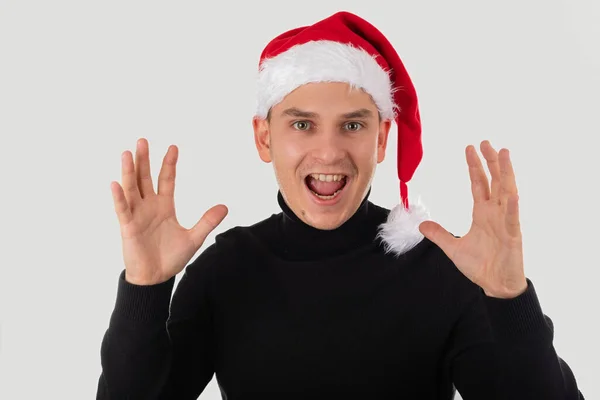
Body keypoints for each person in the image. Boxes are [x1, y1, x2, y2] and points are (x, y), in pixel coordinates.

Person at [96, 11, 584, 400]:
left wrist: (509, 297)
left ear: (381, 139)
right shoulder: (225, 270)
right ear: (263, 136)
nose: (329, 153)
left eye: (352, 125)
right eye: (302, 124)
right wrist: (145, 290)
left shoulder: (440, 270)